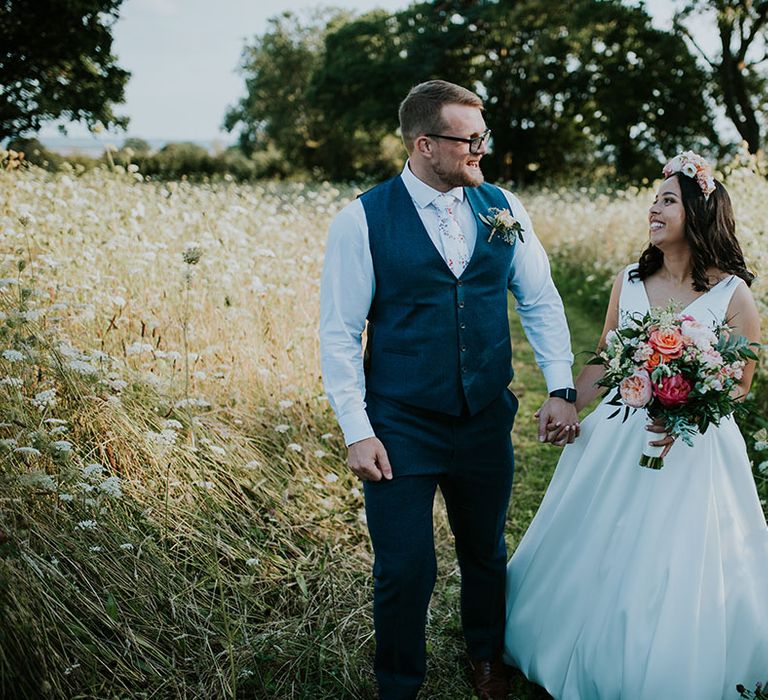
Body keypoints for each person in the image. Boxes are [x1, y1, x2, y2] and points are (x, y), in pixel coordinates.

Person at [320, 80, 579, 700]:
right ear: (424, 143)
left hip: (485, 413)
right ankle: (399, 682)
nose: (480, 152)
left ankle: (487, 655)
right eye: (471, 140)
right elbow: (339, 333)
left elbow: (539, 298)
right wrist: (358, 430)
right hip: (400, 422)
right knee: (406, 566)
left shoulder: (501, 206)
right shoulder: (361, 220)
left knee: (486, 551)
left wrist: (561, 386)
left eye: (482, 138)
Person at [504, 151, 768, 699]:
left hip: (693, 447)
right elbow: (606, 359)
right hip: (624, 434)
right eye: (653, 198)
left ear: (697, 214)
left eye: (667, 200)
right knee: (597, 539)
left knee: (676, 558)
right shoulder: (629, 280)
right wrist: (567, 402)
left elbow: (741, 383)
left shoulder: (732, 293)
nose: (654, 208)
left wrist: (688, 407)